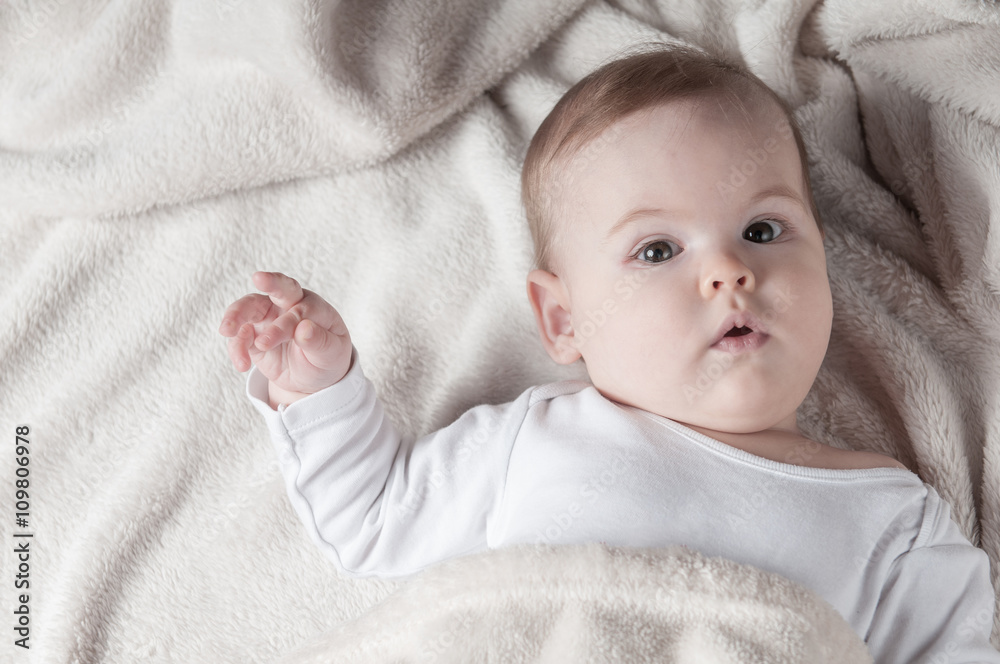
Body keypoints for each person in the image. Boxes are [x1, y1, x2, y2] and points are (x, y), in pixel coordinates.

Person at [219, 44, 999, 662]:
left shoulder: (891, 520)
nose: (729, 270)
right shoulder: (536, 442)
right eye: (658, 250)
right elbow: (374, 521)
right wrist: (319, 390)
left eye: (762, 231)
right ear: (564, 320)